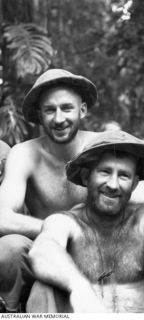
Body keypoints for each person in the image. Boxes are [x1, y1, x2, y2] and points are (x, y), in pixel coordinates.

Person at [26, 131, 144, 313]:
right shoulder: (66, 221)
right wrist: (79, 287)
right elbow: (43, 250)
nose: (113, 184)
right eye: (105, 172)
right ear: (86, 177)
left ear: (134, 184)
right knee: (42, 288)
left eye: (123, 176)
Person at [0, 68, 100, 311]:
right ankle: (9, 311)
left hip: (98, 249)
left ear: (83, 110)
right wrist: (59, 230)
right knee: (8, 248)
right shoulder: (24, 154)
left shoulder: (103, 146)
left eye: (67, 108)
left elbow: (140, 207)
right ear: (39, 114)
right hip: (40, 249)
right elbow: (1, 217)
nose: (58, 118)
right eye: (49, 109)